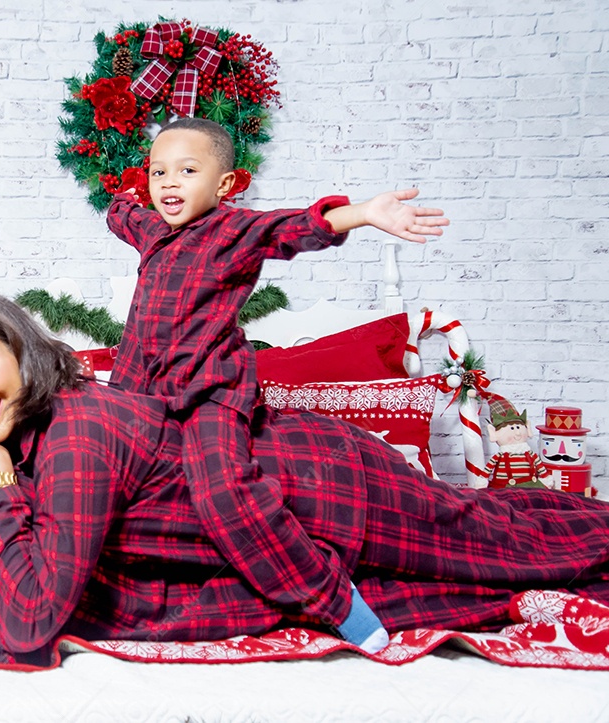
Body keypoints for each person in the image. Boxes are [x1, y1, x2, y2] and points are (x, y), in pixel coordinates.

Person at [0, 291, 609, 664]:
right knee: (489, 560)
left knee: (510, 543)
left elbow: (30, 617)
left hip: (323, 490)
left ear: (20, 352)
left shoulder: (74, 434)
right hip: (268, 539)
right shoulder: (19, 441)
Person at [106, 118, 451, 650]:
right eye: (160, 172)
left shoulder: (232, 230)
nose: (169, 183)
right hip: (138, 390)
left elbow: (292, 229)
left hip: (206, 393)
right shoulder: (152, 230)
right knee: (104, 475)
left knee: (223, 491)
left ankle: (332, 598)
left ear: (224, 186)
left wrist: (362, 213)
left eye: (187, 171)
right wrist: (129, 191)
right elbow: (121, 211)